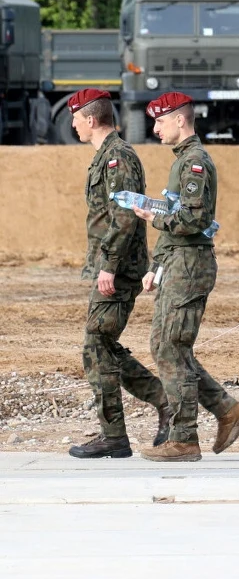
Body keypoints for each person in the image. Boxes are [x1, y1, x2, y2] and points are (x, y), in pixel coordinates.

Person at [130, 92, 239, 462]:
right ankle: (226, 409)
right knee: (172, 347)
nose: (155, 128)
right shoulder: (182, 162)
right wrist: (157, 266)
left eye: (160, 121)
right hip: (179, 261)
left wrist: (155, 219)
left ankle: (185, 438)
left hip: (191, 264)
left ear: (180, 121)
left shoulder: (194, 163)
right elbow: (176, 218)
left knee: (168, 348)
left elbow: (194, 221)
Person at [66, 89, 171, 459]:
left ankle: (116, 434)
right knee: (102, 344)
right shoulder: (104, 158)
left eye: (76, 118)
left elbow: (125, 215)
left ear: (91, 119)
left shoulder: (118, 158)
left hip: (119, 268)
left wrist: (109, 265)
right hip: (108, 265)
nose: (73, 124)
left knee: (96, 343)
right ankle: (161, 402)